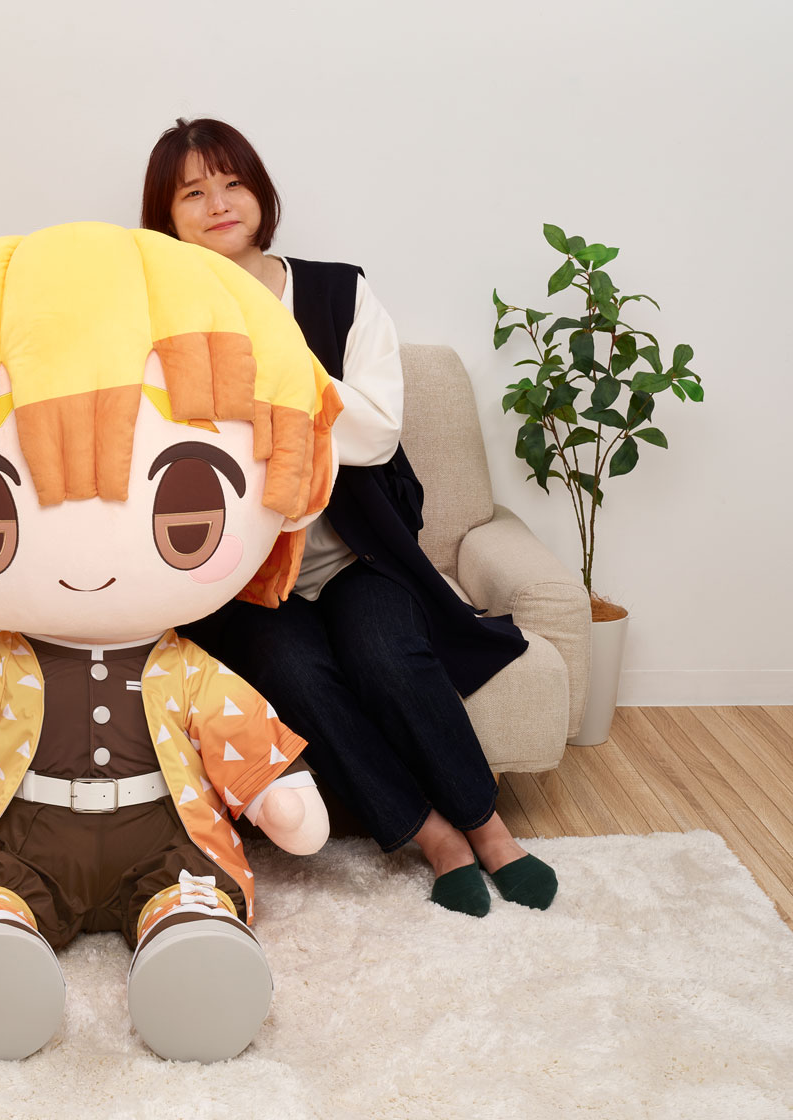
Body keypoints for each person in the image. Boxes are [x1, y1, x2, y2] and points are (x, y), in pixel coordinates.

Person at [0, 222, 341, 1063]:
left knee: (193, 892)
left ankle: (192, 955)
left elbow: (238, 733)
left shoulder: (185, 672)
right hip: (16, 841)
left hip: (168, 841)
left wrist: (277, 792)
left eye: (185, 509)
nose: (86, 560)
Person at [141, 118, 558, 916]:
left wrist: (265, 366)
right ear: (167, 219)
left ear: (261, 194)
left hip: (360, 555)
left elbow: (372, 435)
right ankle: (433, 836)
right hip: (248, 576)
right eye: (192, 193)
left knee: (386, 654)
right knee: (295, 674)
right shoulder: (162, 321)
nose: (217, 204)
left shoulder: (340, 292)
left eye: (232, 183)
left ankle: (490, 828)